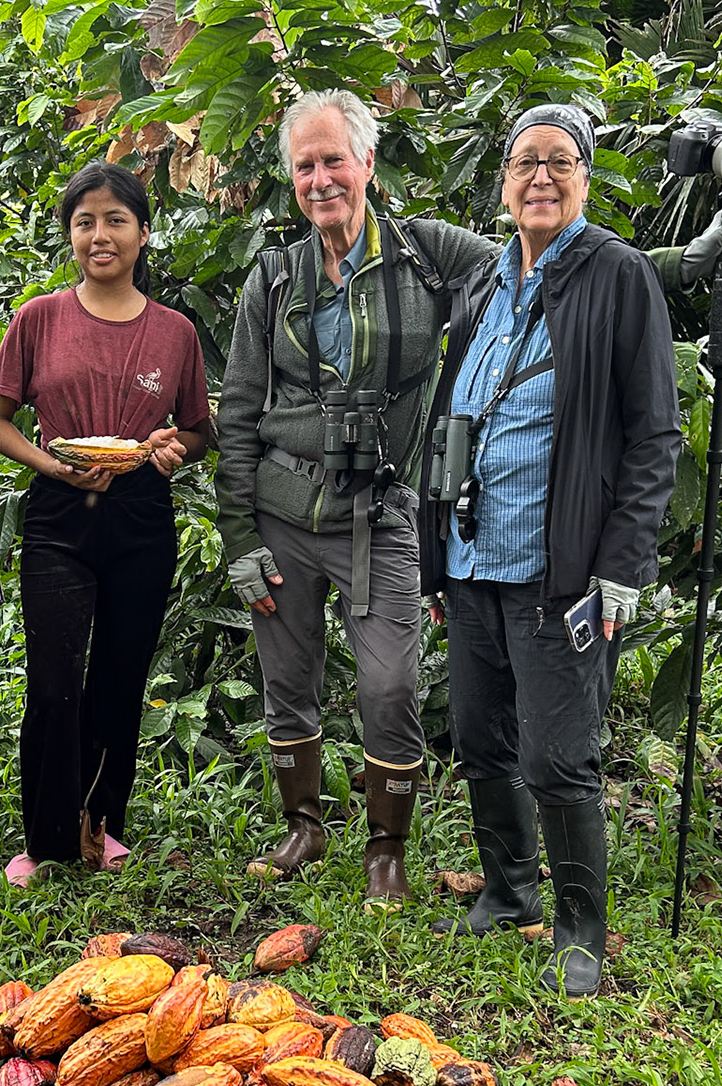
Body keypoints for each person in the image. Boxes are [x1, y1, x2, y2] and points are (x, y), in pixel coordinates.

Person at [418, 103, 681, 997]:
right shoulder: (486, 284)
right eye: (525, 162)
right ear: (502, 183)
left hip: (557, 570)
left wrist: (621, 567)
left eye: (559, 162)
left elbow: (653, 437)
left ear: (584, 178)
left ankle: (578, 926)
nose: (540, 176)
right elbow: (453, 417)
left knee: (558, 755)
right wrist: (430, 555)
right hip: (469, 558)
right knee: (480, 740)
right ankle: (509, 891)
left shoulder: (618, 274)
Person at [214, 90, 500, 906]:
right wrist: (239, 538)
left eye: (333, 158)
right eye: (304, 166)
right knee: (289, 679)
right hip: (282, 512)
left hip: (380, 514)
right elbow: (237, 411)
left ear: (368, 163)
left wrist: (683, 263)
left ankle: (387, 847)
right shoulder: (274, 276)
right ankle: (303, 823)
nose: (319, 179)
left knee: (389, 685)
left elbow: (539, 264)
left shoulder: (427, 256)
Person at [0, 161, 214, 886]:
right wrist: (49, 465)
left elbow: (198, 429)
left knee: (120, 672)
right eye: (85, 221)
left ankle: (101, 824)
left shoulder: (175, 333)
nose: (99, 235)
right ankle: (44, 839)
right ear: (69, 235)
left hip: (141, 512)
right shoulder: (39, 318)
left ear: (144, 232)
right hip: (58, 510)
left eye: (115, 220)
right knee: (53, 679)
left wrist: (174, 447)